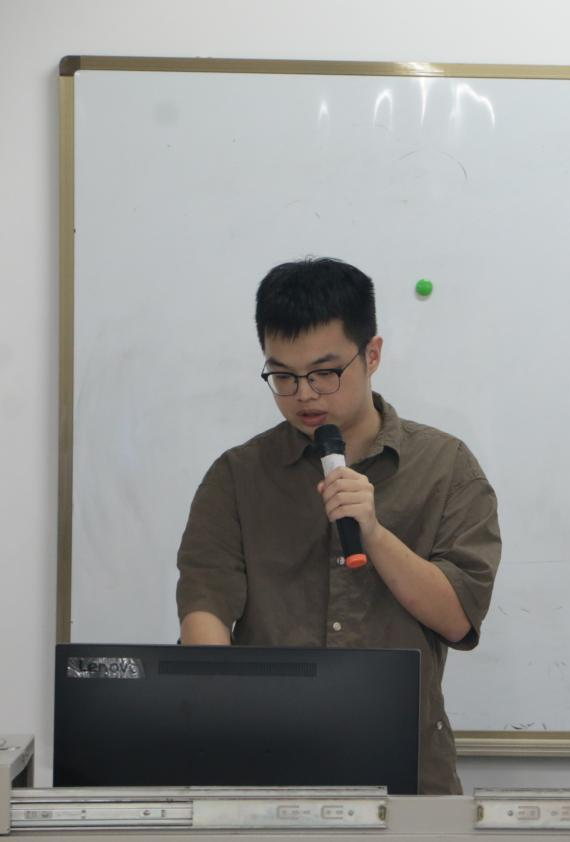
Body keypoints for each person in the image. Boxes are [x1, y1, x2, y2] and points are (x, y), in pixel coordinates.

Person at [175, 257, 501, 794]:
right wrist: (223, 720)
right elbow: (204, 611)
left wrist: (373, 532)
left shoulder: (446, 467)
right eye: (282, 375)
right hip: (265, 768)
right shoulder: (237, 476)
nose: (304, 394)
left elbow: (458, 618)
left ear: (371, 355)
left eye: (324, 373)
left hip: (408, 770)